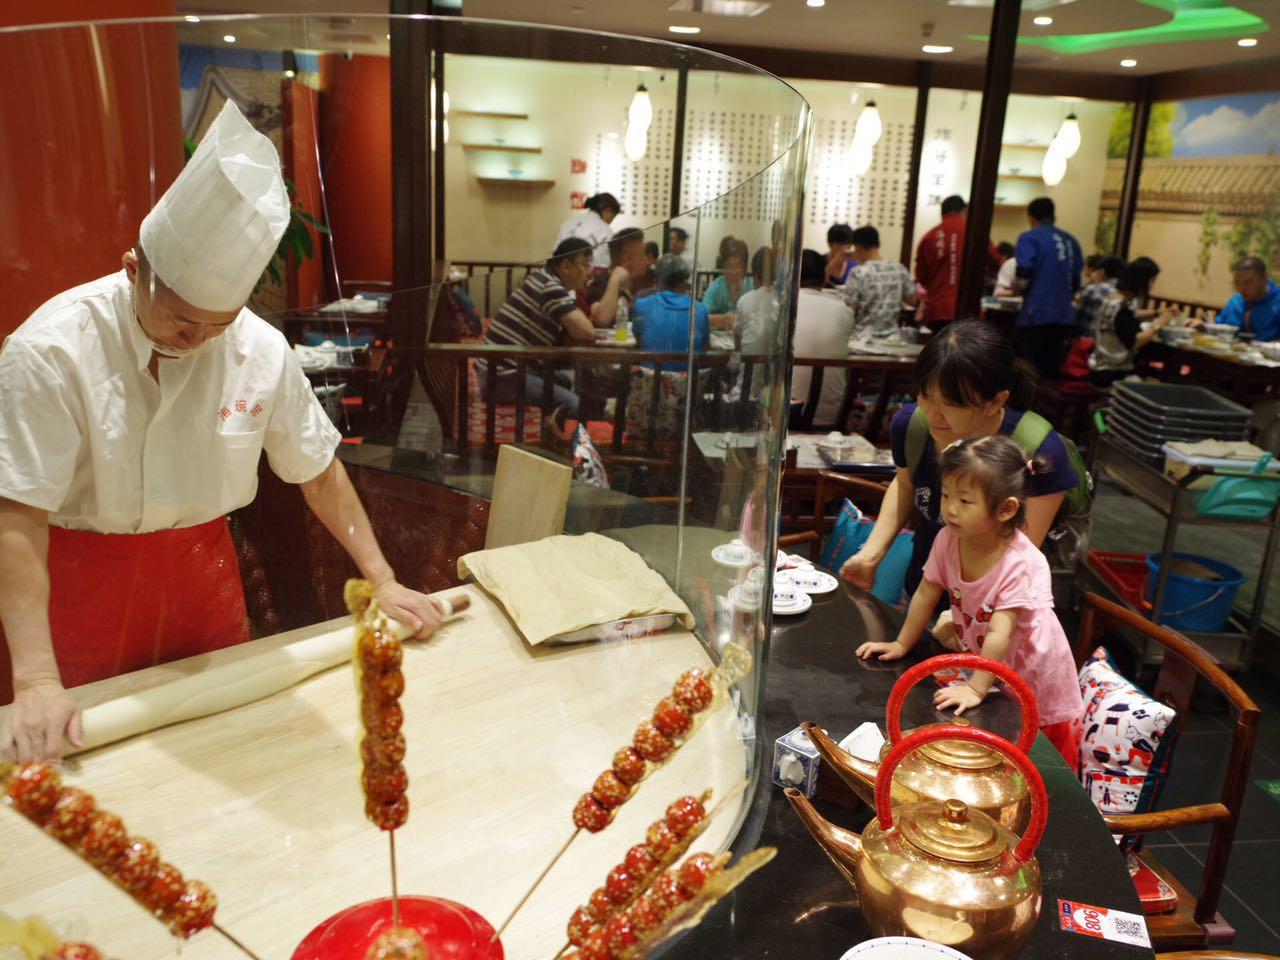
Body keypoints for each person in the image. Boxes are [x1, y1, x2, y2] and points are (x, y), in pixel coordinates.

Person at [0, 102, 445, 762]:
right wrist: (36, 678)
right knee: (84, 783)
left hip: (204, 583)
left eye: (219, 323)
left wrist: (382, 580)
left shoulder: (258, 349)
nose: (202, 340)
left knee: (233, 754)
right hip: (78, 589)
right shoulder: (50, 350)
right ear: (132, 268)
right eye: (182, 321)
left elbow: (319, 473)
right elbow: (18, 513)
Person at [856, 434, 1084, 768]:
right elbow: (925, 592)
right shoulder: (950, 538)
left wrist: (976, 690)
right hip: (992, 671)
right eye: (946, 494)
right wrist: (901, 643)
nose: (949, 508)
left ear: (1006, 509)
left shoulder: (1020, 562)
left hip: (1033, 681)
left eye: (965, 501)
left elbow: (999, 635)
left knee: (1039, 772)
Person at [839, 321, 1079, 635]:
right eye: (925, 396)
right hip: (923, 590)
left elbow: (1019, 551)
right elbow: (906, 484)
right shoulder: (912, 426)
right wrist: (872, 554)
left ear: (996, 401)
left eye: (952, 404)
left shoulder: (1038, 452)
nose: (933, 415)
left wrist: (970, 613)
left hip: (999, 620)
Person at [482, 237, 601, 417]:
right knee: (575, 405)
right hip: (502, 377)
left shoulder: (544, 278)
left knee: (564, 381)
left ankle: (552, 431)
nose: (589, 272)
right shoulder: (549, 286)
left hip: (501, 370)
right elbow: (586, 332)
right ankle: (557, 440)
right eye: (585, 265)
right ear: (566, 266)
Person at [1012, 197, 1084, 378]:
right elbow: (1076, 278)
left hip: (1036, 313)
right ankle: (1044, 406)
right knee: (1050, 370)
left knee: (1026, 369)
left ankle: (1026, 405)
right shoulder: (1071, 241)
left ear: (1031, 218)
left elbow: (1025, 270)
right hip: (1064, 315)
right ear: (1053, 216)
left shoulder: (1030, 237)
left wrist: (1018, 287)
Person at [915, 195, 1001, 329]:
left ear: (942, 213)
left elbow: (921, 277)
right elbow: (996, 262)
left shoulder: (929, 237)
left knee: (942, 348)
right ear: (964, 211)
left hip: (937, 310)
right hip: (968, 308)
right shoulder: (975, 231)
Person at [792, 250, 855, 426]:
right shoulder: (844, 310)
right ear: (823, 276)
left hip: (787, 413)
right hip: (834, 415)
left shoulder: (781, 308)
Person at [1088, 263, 1174, 386]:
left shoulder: (1112, 299)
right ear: (1141, 282)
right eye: (1152, 281)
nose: (1151, 287)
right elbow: (1135, 342)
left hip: (1098, 367)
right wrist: (1159, 324)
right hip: (1113, 374)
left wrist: (1157, 312)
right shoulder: (1122, 307)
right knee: (1155, 390)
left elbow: (1130, 316)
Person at [631, 254, 710, 373]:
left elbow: (640, 342)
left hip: (650, 388)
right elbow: (704, 351)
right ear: (684, 283)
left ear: (656, 282)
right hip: (689, 389)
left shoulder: (641, 305)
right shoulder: (700, 309)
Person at [840, 225, 917, 341]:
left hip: (863, 338)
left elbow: (850, 310)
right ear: (878, 244)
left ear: (858, 247)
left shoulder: (858, 272)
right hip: (892, 339)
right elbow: (912, 301)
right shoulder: (899, 269)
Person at [585, 228, 647, 327]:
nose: (646, 259)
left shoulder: (644, 281)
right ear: (628, 258)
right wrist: (615, 279)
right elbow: (602, 320)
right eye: (643, 254)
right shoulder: (600, 283)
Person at [1217, 257, 1280, 341]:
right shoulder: (1236, 302)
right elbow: (1218, 327)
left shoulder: (1277, 300)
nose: (1241, 289)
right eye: (1237, 283)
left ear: (1264, 279)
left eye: (1248, 282)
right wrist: (1203, 327)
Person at [556, 193, 621, 269]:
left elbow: (555, 253)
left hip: (560, 272)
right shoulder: (605, 230)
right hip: (585, 275)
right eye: (613, 218)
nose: (610, 222)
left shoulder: (567, 224)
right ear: (608, 212)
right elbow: (603, 265)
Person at [702, 237, 754, 330]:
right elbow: (702, 317)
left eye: (738, 266)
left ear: (745, 268)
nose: (733, 272)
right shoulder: (716, 287)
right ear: (723, 268)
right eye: (729, 266)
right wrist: (723, 319)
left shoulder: (751, 286)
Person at [1074, 254, 1125, 335]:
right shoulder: (1122, 294)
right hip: (1107, 343)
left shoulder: (1092, 289)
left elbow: (1076, 318)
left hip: (1086, 341)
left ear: (1102, 272)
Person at [824, 223, 856, 288]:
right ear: (830, 244)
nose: (848, 247)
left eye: (850, 243)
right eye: (843, 243)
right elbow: (815, 285)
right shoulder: (818, 261)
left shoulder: (854, 266)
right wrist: (831, 265)